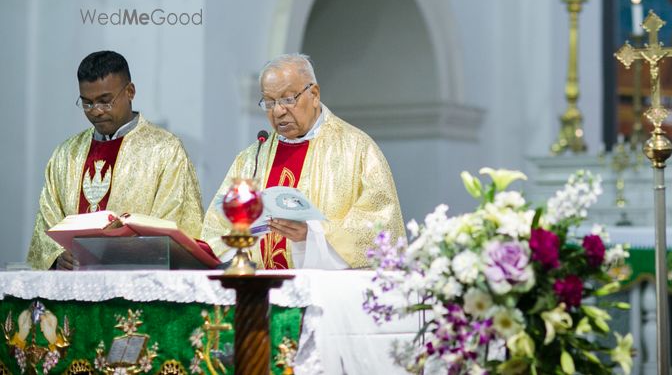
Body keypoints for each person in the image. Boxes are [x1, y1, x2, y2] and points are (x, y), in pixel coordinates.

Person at [201, 54, 404, 269]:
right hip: (257, 292)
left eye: (288, 99)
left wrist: (313, 235)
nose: (278, 111)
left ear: (314, 94)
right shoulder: (251, 159)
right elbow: (215, 231)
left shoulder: (357, 149)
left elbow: (381, 227)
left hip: (322, 295)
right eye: (269, 102)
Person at [26, 51, 205, 270]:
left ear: (130, 91)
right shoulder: (66, 154)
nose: (96, 112)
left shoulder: (165, 149)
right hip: (73, 284)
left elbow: (176, 225)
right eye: (87, 103)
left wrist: (122, 252)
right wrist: (57, 257)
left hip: (139, 283)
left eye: (105, 101)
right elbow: (47, 222)